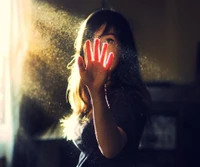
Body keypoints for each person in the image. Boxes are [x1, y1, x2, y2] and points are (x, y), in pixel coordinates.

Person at [61, 8, 151, 167]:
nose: (98, 48)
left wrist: (97, 92)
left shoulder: (127, 96)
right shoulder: (90, 94)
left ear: (123, 49)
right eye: (91, 40)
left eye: (109, 40)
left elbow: (110, 149)